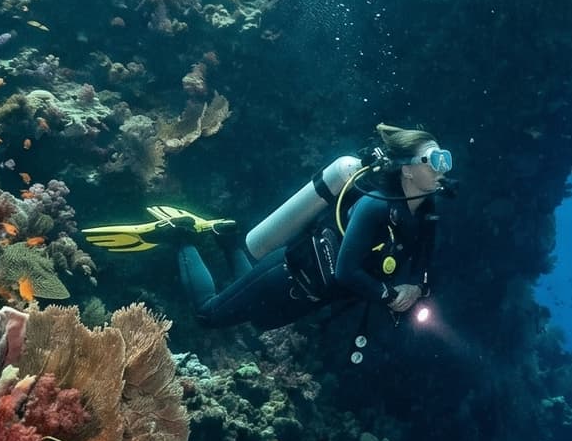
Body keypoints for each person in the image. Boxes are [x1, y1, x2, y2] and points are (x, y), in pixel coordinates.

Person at [84, 125, 449, 339]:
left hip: (306, 297)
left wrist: (417, 286)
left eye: (444, 159)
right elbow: (345, 270)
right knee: (209, 315)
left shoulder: (426, 209)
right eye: (434, 160)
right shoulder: (376, 205)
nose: (442, 169)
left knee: (249, 312)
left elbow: (425, 261)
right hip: (288, 274)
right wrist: (387, 295)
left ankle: (228, 238)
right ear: (406, 169)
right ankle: (180, 236)